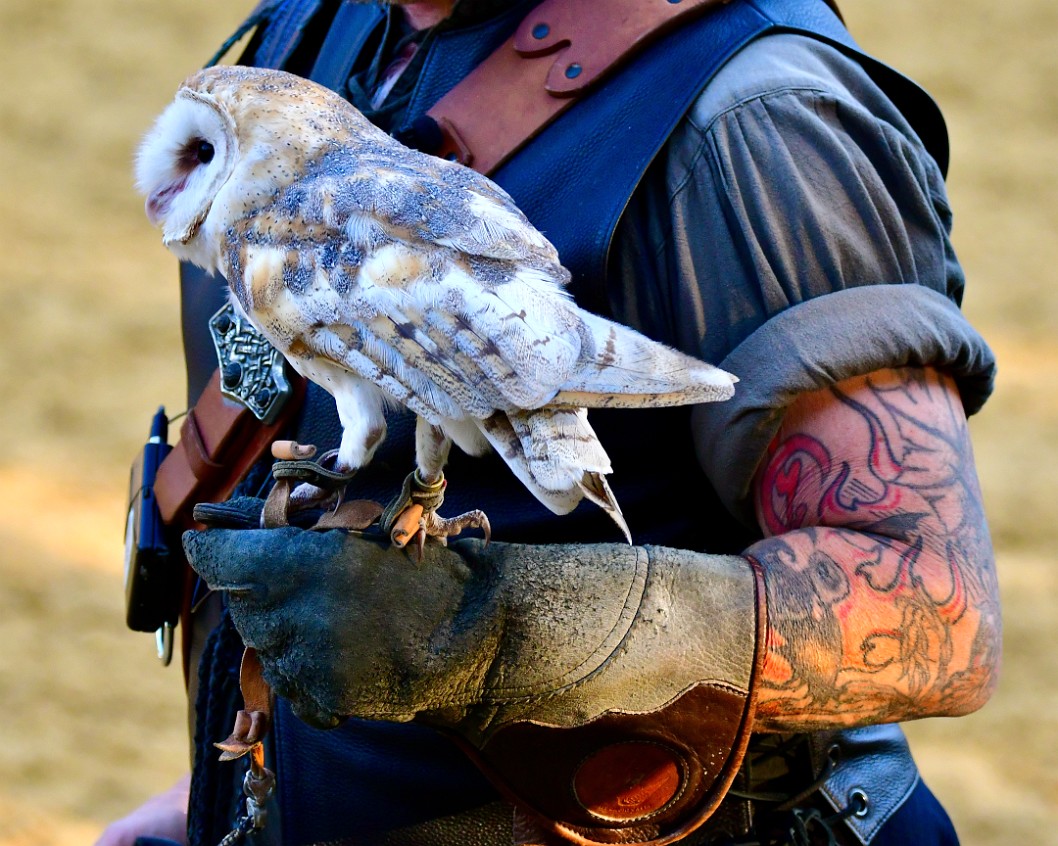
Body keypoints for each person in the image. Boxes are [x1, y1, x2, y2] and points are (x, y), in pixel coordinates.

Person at [98, 0, 1001, 844]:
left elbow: (934, 611)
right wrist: (232, 796)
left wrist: (499, 631)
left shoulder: (757, 121)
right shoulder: (331, 29)